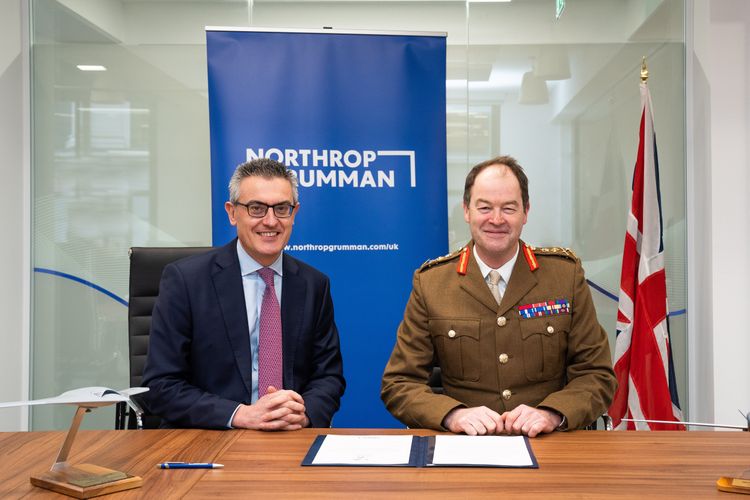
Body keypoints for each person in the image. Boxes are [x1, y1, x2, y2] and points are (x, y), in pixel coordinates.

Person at [381, 155, 616, 437]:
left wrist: (552, 413)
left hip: (549, 445)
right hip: (465, 449)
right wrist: (452, 415)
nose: (496, 219)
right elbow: (399, 383)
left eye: (509, 208)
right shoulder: (432, 283)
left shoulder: (564, 276)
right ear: (466, 211)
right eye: (484, 207)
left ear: (525, 212)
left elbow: (597, 374)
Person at [143, 158, 345, 429]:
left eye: (282, 209)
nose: (270, 221)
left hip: (290, 438)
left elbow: (329, 377)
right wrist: (240, 414)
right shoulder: (186, 281)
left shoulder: (314, 284)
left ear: (294, 213)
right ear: (232, 212)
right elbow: (160, 385)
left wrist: (304, 412)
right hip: (210, 439)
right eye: (257, 208)